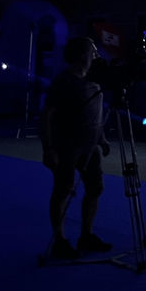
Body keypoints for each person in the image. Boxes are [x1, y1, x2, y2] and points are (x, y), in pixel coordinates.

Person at [41, 36, 113, 258]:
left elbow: (96, 113)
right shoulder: (64, 82)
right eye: (93, 51)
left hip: (91, 147)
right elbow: (48, 116)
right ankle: (59, 241)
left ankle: (86, 236)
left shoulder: (94, 81)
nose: (96, 56)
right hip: (67, 145)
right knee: (63, 190)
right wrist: (48, 149)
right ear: (81, 55)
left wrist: (102, 139)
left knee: (95, 188)